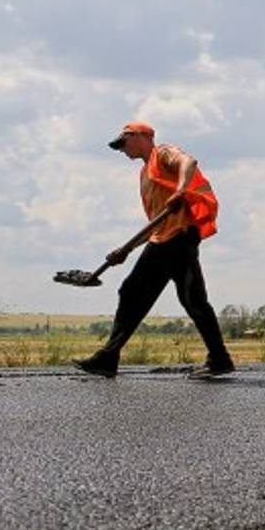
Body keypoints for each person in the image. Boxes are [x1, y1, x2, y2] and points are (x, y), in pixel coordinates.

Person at [73, 122, 234, 379]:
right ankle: (220, 358)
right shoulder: (144, 175)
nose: (122, 150)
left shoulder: (163, 153)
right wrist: (126, 250)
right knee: (192, 300)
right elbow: (154, 222)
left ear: (141, 137)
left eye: (124, 143)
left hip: (177, 237)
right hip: (166, 237)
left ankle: (107, 357)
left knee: (133, 292)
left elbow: (189, 162)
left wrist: (181, 190)